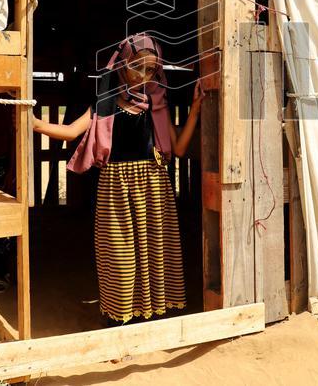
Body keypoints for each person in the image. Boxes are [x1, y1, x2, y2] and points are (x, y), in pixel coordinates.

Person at [32, 33, 205, 324]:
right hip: (116, 188)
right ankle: (120, 316)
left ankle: (150, 316)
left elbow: (179, 148)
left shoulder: (157, 104)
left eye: (150, 69)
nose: (142, 75)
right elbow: (73, 131)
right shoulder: (106, 103)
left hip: (154, 186)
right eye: (136, 66)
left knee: (155, 253)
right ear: (122, 65)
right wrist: (33, 123)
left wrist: (196, 110)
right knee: (119, 256)